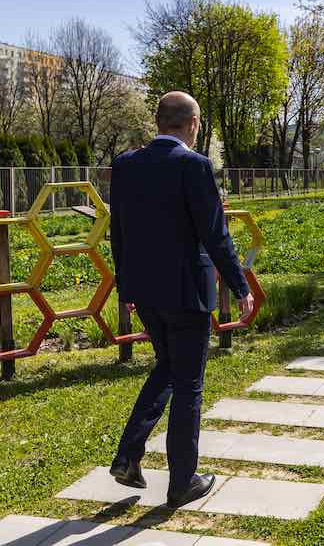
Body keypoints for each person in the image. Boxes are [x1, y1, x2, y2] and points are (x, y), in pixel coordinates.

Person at [108, 91, 255, 509]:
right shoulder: (194, 165)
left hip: (146, 292)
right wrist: (240, 286)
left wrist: (128, 289)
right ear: (192, 123)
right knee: (188, 382)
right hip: (188, 293)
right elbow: (215, 234)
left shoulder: (126, 165)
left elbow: (119, 232)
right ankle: (182, 482)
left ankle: (128, 454)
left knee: (169, 368)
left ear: (159, 122)